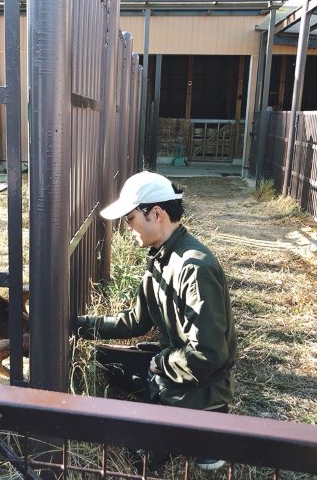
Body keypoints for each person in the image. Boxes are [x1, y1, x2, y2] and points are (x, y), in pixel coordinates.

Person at [76, 171, 236, 470]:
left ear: (157, 213)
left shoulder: (194, 268)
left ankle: (204, 431)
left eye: (130, 218)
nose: (128, 228)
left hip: (197, 384)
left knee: (137, 459)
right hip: (173, 367)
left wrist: (161, 363)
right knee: (105, 362)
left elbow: (209, 354)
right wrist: (76, 325)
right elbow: (135, 321)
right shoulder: (161, 256)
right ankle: (174, 421)